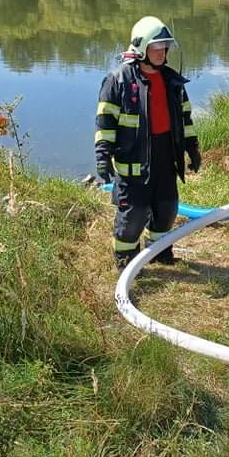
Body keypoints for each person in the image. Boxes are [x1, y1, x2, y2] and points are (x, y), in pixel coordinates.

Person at [95, 16, 202, 270]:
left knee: (166, 209)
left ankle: (160, 252)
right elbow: (105, 122)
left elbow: (184, 117)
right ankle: (126, 261)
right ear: (141, 48)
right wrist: (102, 156)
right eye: (156, 47)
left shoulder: (172, 81)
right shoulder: (119, 80)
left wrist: (192, 147)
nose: (162, 52)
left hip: (165, 156)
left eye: (165, 47)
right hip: (133, 162)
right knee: (133, 216)